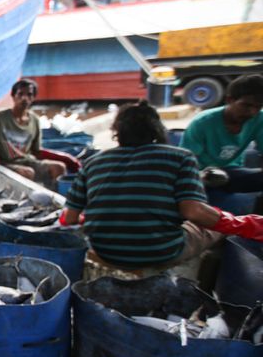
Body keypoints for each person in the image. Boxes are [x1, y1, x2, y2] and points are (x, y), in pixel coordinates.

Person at [61, 101, 263, 269]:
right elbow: (194, 212)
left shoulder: (93, 162)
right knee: (216, 231)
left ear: (117, 131)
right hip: (161, 252)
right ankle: (205, 296)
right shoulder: (181, 157)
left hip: (105, 250)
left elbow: (69, 218)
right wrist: (242, 224)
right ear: (157, 129)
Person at [0, 78, 79, 187]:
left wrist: (66, 158)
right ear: (13, 96)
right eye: (20, 94)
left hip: (26, 161)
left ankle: (50, 197)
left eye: (29, 95)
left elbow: (36, 151)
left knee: (59, 167)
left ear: (33, 98)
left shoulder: (34, 120)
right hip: (4, 162)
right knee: (27, 172)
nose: (24, 98)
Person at [180, 74, 263, 205]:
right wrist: (201, 176)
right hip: (202, 175)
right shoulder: (202, 122)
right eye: (246, 105)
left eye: (258, 107)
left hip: (234, 173)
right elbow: (186, 163)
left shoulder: (259, 119)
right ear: (229, 100)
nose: (252, 112)